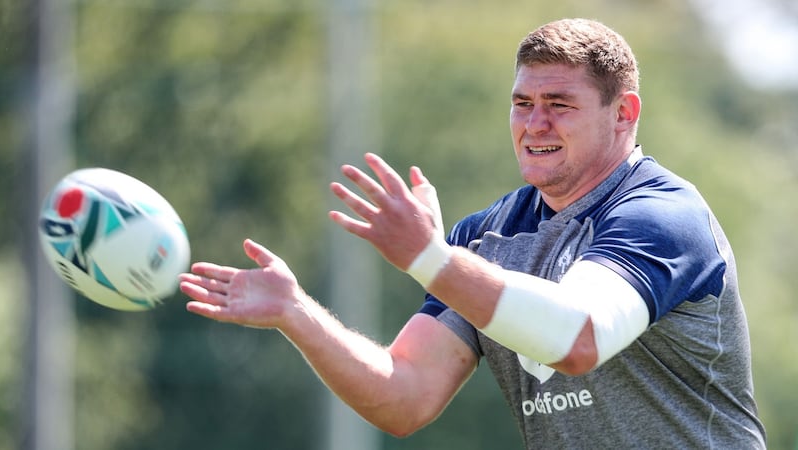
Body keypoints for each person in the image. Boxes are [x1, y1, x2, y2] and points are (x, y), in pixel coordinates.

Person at [179, 18, 766, 448]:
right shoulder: (485, 237)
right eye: (522, 103)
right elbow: (404, 396)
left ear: (624, 113)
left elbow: (580, 337)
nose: (535, 123)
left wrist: (430, 259)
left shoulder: (662, 214)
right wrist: (295, 311)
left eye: (559, 104)